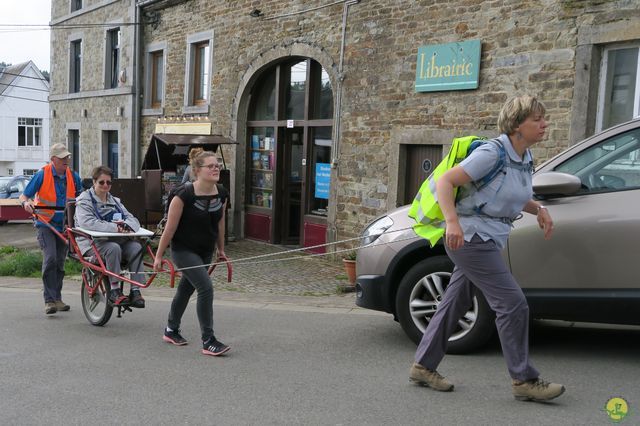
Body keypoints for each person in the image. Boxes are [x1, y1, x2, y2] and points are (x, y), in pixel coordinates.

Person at [409, 95, 566, 402]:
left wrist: (540, 211)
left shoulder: (523, 156)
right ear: (517, 126)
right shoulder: (492, 153)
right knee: (512, 303)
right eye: (537, 119)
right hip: (470, 239)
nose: (544, 124)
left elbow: (512, 194)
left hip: (488, 238)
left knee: (454, 302)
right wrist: (452, 221)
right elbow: (445, 182)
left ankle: (423, 366)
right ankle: (524, 380)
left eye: (543, 118)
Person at [154, 149, 231, 357]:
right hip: (183, 250)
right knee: (205, 288)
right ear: (197, 170)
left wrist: (221, 249)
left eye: (218, 166)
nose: (216, 169)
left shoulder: (222, 193)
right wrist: (159, 256)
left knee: (186, 290)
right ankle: (208, 340)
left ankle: (171, 329)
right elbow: (169, 228)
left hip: (205, 250)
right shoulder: (183, 195)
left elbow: (221, 222)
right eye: (211, 166)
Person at [19, 143, 83, 315]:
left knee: (60, 263)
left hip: (64, 225)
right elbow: (24, 195)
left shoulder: (73, 176)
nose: (66, 160)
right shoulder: (42, 174)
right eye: (62, 158)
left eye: (67, 157)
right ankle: (49, 300)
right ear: (53, 159)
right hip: (45, 223)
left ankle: (57, 298)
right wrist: (26, 203)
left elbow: (82, 196)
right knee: (51, 259)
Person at [74, 165, 146, 308]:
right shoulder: (84, 201)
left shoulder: (115, 201)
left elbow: (133, 220)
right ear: (94, 182)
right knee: (113, 249)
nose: (105, 185)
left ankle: (135, 291)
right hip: (91, 244)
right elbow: (88, 223)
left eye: (109, 182)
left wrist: (127, 226)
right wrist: (117, 228)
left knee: (137, 247)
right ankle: (114, 291)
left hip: (114, 240)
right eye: (101, 182)